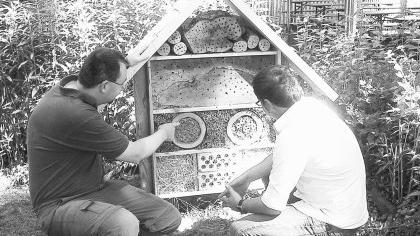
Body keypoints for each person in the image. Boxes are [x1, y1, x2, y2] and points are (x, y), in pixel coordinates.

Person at [27, 46, 181, 236]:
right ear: (105, 86)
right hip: (59, 205)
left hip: (92, 190)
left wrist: (125, 63)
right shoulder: (76, 114)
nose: (123, 87)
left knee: (166, 217)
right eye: (122, 83)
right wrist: (164, 132)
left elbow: (101, 79)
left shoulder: (72, 88)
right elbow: (135, 154)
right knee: (123, 224)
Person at [219, 65, 368, 236]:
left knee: (241, 230)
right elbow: (282, 157)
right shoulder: (312, 108)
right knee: (269, 176)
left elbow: (272, 206)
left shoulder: (292, 135)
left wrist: (241, 204)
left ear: (266, 104)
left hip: (334, 222)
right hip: (347, 211)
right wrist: (247, 178)